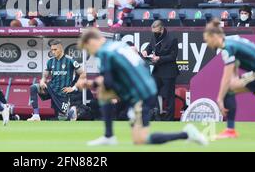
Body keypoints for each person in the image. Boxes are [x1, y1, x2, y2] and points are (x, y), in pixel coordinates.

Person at [77, 28, 207, 146]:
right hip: (144, 87)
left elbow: (109, 83)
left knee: (141, 140)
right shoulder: (118, 45)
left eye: (88, 49)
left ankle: (186, 134)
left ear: (91, 42)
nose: (91, 53)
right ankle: (109, 136)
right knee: (104, 91)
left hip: (139, 93)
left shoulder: (104, 52)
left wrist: (89, 84)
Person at [203, 19, 255, 139]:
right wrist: (234, 81)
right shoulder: (231, 41)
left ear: (214, 36)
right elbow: (233, 72)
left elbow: (226, 78)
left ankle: (230, 130)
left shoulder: (227, 48)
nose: (207, 43)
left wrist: (220, 99)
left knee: (227, 89)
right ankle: (230, 131)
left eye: (207, 40)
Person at [27, 39, 86, 121]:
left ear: (61, 49)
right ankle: (36, 115)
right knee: (33, 87)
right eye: (52, 50)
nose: (53, 52)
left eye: (55, 49)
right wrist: (42, 81)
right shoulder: (50, 61)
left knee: (63, 118)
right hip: (51, 88)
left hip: (63, 92)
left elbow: (83, 73)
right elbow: (45, 75)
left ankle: (72, 112)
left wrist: (73, 88)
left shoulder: (70, 60)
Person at [142, 21, 179, 121]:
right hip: (157, 70)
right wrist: (146, 51)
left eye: (156, 32)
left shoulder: (172, 38)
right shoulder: (154, 36)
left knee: (169, 97)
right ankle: (156, 115)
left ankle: (169, 119)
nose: (155, 34)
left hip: (169, 71)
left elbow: (173, 56)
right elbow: (150, 46)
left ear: (162, 29)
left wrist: (160, 58)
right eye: (153, 32)